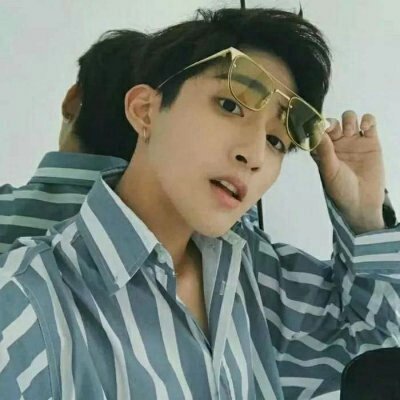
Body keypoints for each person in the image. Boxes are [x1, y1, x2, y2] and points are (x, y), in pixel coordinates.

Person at [0, 7, 399, 400]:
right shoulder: (28, 302)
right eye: (230, 105)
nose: (254, 154)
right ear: (145, 111)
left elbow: (372, 343)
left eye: (276, 141)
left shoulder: (251, 274)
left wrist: (363, 216)